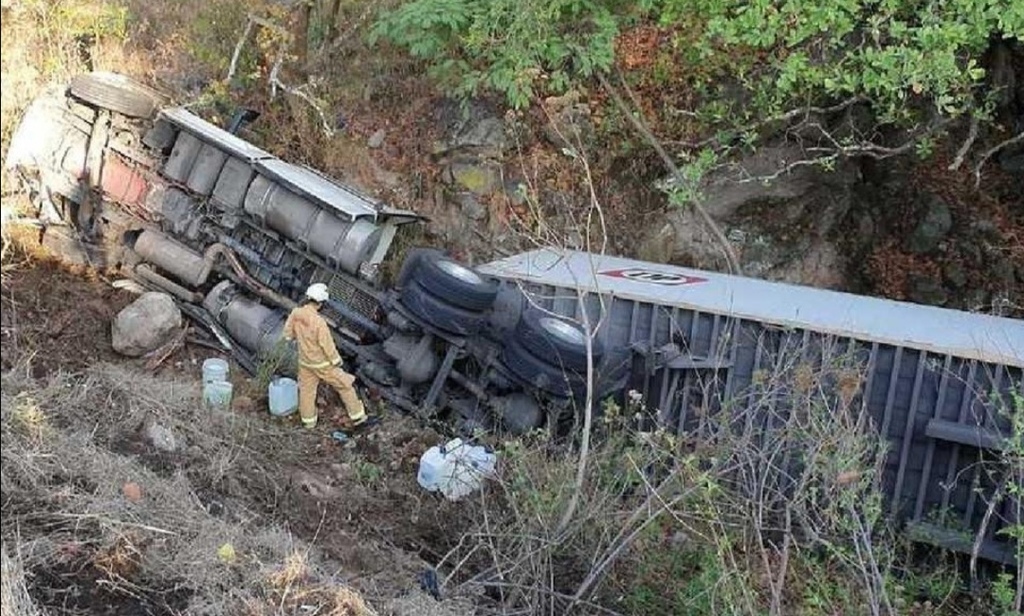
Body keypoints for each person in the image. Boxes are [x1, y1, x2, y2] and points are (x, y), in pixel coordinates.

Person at [283, 283, 368, 430]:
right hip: (322, 364)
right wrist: (337, 361)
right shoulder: (318, 322)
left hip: (305, 362)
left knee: (307, 392)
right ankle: (358, 418)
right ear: (321, 303)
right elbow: (327, 345)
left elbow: (288, 335)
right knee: (345, 385)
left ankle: (309, 423)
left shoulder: (296, 313)